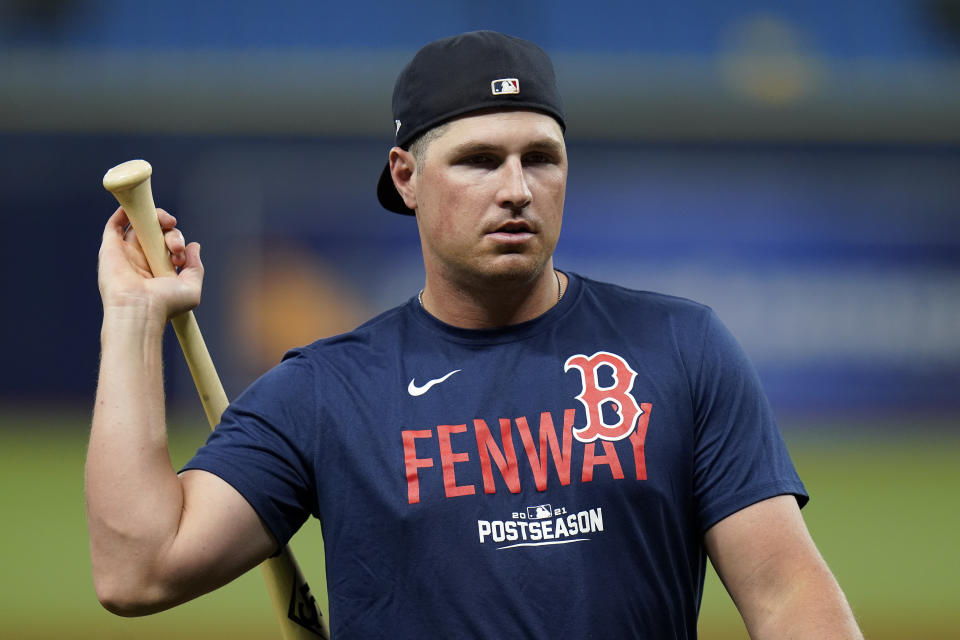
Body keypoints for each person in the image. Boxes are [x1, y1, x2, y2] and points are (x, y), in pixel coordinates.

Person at [87, 30, 863, 639]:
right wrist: (131, 318)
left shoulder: (680, 347)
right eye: (480, 161)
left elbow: (790, 595)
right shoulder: (327, 391)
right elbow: (137, 570)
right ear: (406, 176)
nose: (517, 189)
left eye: (542, 158)